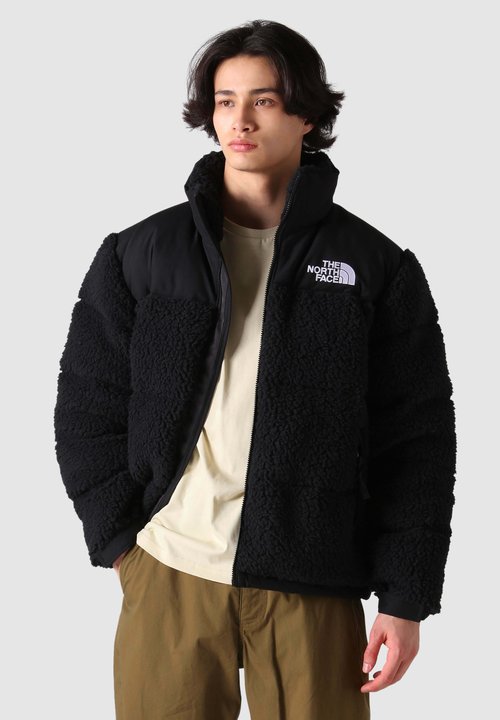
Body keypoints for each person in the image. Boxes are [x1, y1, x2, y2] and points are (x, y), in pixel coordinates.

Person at [53, 18, 457, 720]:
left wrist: (406, 596)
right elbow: (88, 404)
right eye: (225, 100)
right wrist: (121, 540)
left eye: (264, 100)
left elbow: (417, 441)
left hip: (313, 580)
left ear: (306, 115)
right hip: (171, 571)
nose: (239, 120)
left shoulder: (376, 267)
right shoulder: (139, 255)